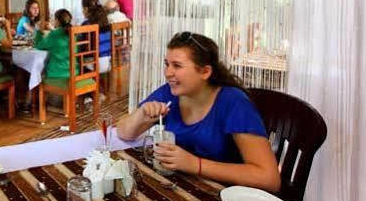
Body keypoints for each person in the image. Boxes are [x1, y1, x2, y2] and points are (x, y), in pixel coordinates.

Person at [116, 32, 280, 192]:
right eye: (167, 64)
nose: (167, 73)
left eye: (177, 66)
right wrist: (141, 114)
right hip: (186, 187)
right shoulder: (170, 93)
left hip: (229, 196)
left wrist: (196, 164)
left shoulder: (234, 103)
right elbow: (124, 132)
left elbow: (269, 179)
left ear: (205, 72)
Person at [34, 9, 74, 79]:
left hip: (57, 74)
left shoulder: (54, 34)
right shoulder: (75, 33)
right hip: (74, 73)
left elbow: (38, 45)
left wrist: (39, 30)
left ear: (57, 21)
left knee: (37, 74)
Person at [82, 0, 112, 74]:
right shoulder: (105, 22)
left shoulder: (87, 24)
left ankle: (87, 84)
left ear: (86, 9)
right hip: (109, 62)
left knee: (75, 59)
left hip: (95, 64)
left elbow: (79, 41)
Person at [0, 2, 13, 75]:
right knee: (14, 68)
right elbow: (10, 45)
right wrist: (8, 27)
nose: (0, 15)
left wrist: (2, 27)